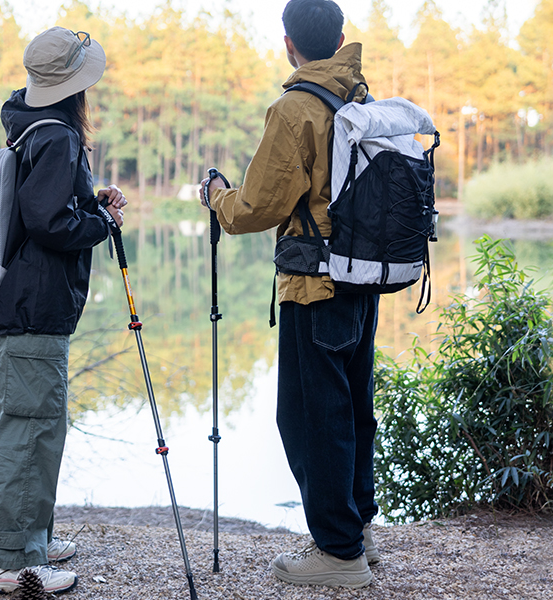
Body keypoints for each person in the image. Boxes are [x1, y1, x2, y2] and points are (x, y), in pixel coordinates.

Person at [200, 0, 379, 589]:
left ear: (287, 44)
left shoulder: (296, 108)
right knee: (351, 406)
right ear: (341, 39)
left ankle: (339, 554)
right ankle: (358, 532)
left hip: (313, 286)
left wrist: (217, 198)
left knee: (310, 417)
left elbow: (256, 208)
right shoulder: (359, 98)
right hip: (361, 278)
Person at [0, 26, 126, 595]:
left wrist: (91, 199)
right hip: (36, 304)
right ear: (75, 86)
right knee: (29, 428)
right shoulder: (59, 135)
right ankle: (13, 560)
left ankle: (32, 535)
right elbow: (47, 222)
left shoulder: (31, 126)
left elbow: (42, 205)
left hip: (30, 301)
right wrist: (102, 222)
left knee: (40, 425)